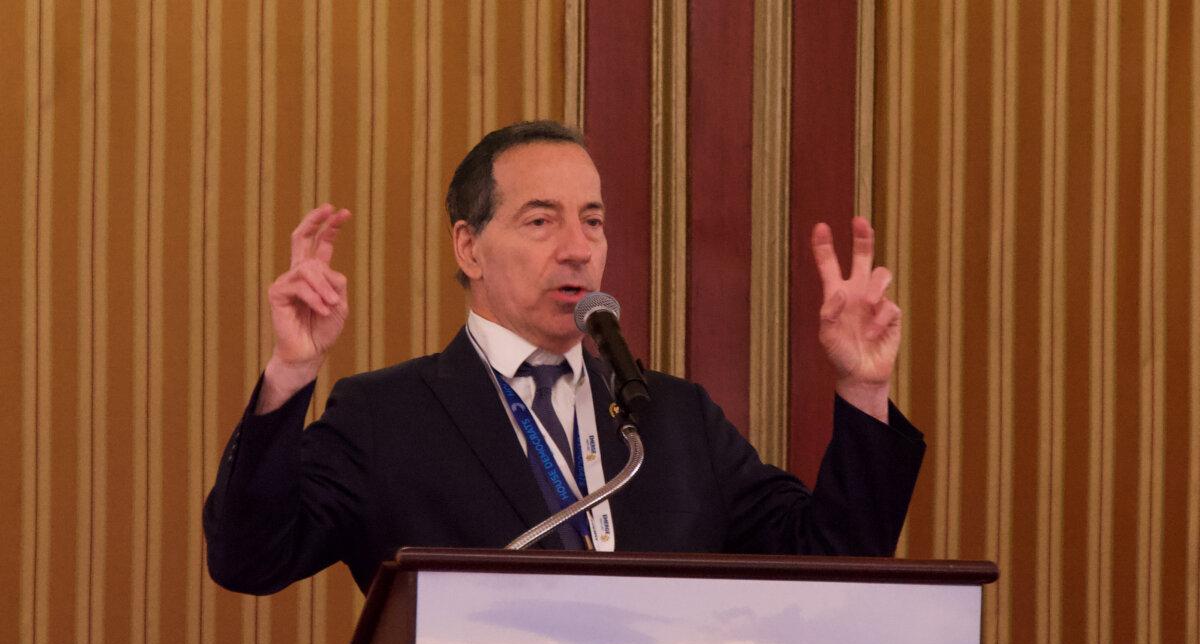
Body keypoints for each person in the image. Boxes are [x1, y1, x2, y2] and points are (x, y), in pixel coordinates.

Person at [204, 120, 924, 595]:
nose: (578, 247)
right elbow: (250, 559)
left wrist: (863, 386)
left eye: (593, 221)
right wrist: (292, 372)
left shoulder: (673, 419)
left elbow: (834, 564)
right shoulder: (386, 416)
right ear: (469, 246)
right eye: (541, 220)